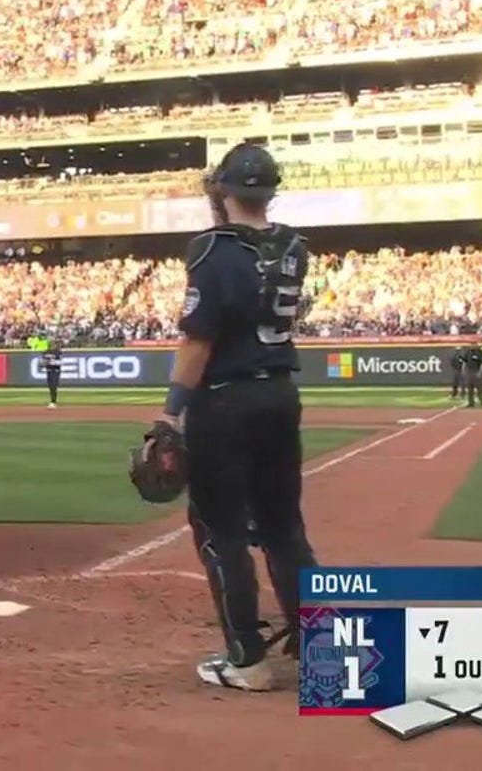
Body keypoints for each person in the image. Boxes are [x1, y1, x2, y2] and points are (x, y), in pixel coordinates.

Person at [155, 142, 316, 692]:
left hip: (224, 400)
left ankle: (246, 660)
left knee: (220, 531)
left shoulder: (212, 249)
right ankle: (316, 643)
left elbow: (199, 339)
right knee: (284, 529)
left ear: (224, 191)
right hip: (279, 395)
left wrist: (170, 414)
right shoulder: (296, 247)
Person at [460, 342, 482, 408]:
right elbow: (464, 362)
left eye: (474, 344)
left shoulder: (479, 352)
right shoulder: (467, 352)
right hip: (469, 372)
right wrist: (463, 370)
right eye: (471, 344)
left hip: (476, 371)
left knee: (480, 388)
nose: (472, 346)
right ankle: (471, 403)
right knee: (470, 389)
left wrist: (480, 372)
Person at [44, 341, 63, 408]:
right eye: (50, 344)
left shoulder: (58, 352)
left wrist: (50, 362)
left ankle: (53, 402)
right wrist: (48, 362)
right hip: (49, 371)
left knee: (53, 386)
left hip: (55, 371)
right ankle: (53, 401)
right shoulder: (45, 352)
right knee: (50, 387)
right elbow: (42, 362)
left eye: (53, 344)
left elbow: (59, 362)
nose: (51, 345)